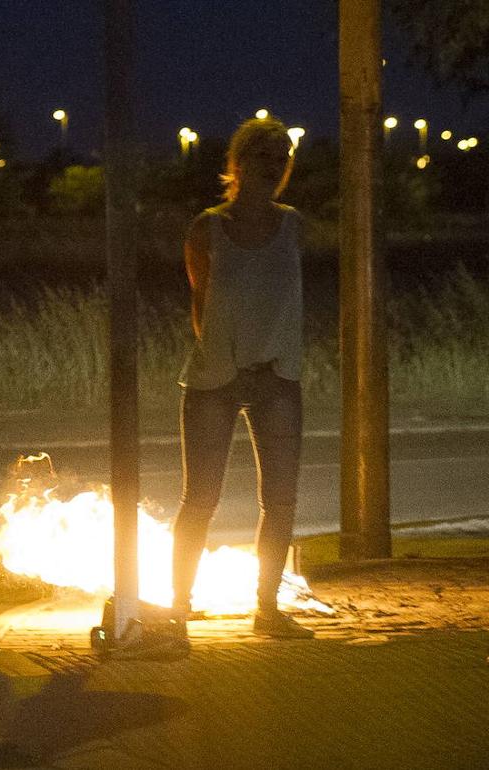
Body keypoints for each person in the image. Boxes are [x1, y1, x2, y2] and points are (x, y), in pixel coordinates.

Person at [171, 117, 314, 639]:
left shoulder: (294, 224)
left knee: (280, 499)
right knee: (200, 499)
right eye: (263, 159)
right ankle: (178, 607)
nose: (273, 170)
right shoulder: (207, 227)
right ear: (238, 164)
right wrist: (223, 352)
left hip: (278, 376)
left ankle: (267, 610)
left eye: (281, 161)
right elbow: (200, 303)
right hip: (217, 377)